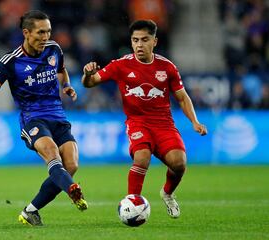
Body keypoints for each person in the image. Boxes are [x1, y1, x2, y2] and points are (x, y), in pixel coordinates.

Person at [0, 10, 88, 226]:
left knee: (71, 165)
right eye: (40, 32)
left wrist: (67, 85)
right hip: (33, 119)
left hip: (58, 117)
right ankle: (71, 188)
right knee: (52, 153)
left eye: (48, 32)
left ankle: (30, 211)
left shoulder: (54, 49)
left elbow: (61, 70)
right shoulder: (10, 61)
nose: (45, 37)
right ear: (26, 32)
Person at [82, 20, 207, 218]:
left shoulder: (167, 67)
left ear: (154, 41)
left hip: (164, 124)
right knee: (142, 157)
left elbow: (182, 97)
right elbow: (90, 83)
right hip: (137, 122)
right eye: (135, 40)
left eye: (144, 40)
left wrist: (195, 121)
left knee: (179, 163)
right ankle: (132, 204)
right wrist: (87, 75)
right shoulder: (120, 65)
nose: (139, 45)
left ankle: (167, 193)